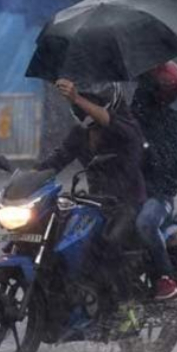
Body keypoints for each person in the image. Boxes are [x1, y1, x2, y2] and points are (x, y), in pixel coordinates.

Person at [35, 79, 146, 300]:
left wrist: (76, 97)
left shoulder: (127, 128)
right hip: (94, 203)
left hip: (126, 204)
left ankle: (124, 305)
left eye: (89, 102)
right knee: (57, 235)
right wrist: (26, 176)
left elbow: (110, 121)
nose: (82, 105)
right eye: (80, 101)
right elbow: (56, 161)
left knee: (109, 241)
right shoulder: (80, 133)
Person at [132, 62, 177, 301]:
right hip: (124, 191)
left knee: (146, 223)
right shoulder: (129, 115)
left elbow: (170, 152)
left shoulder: (175, 123)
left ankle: (166, 279)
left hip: (158, 196)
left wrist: (148, 151)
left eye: (149, 85)